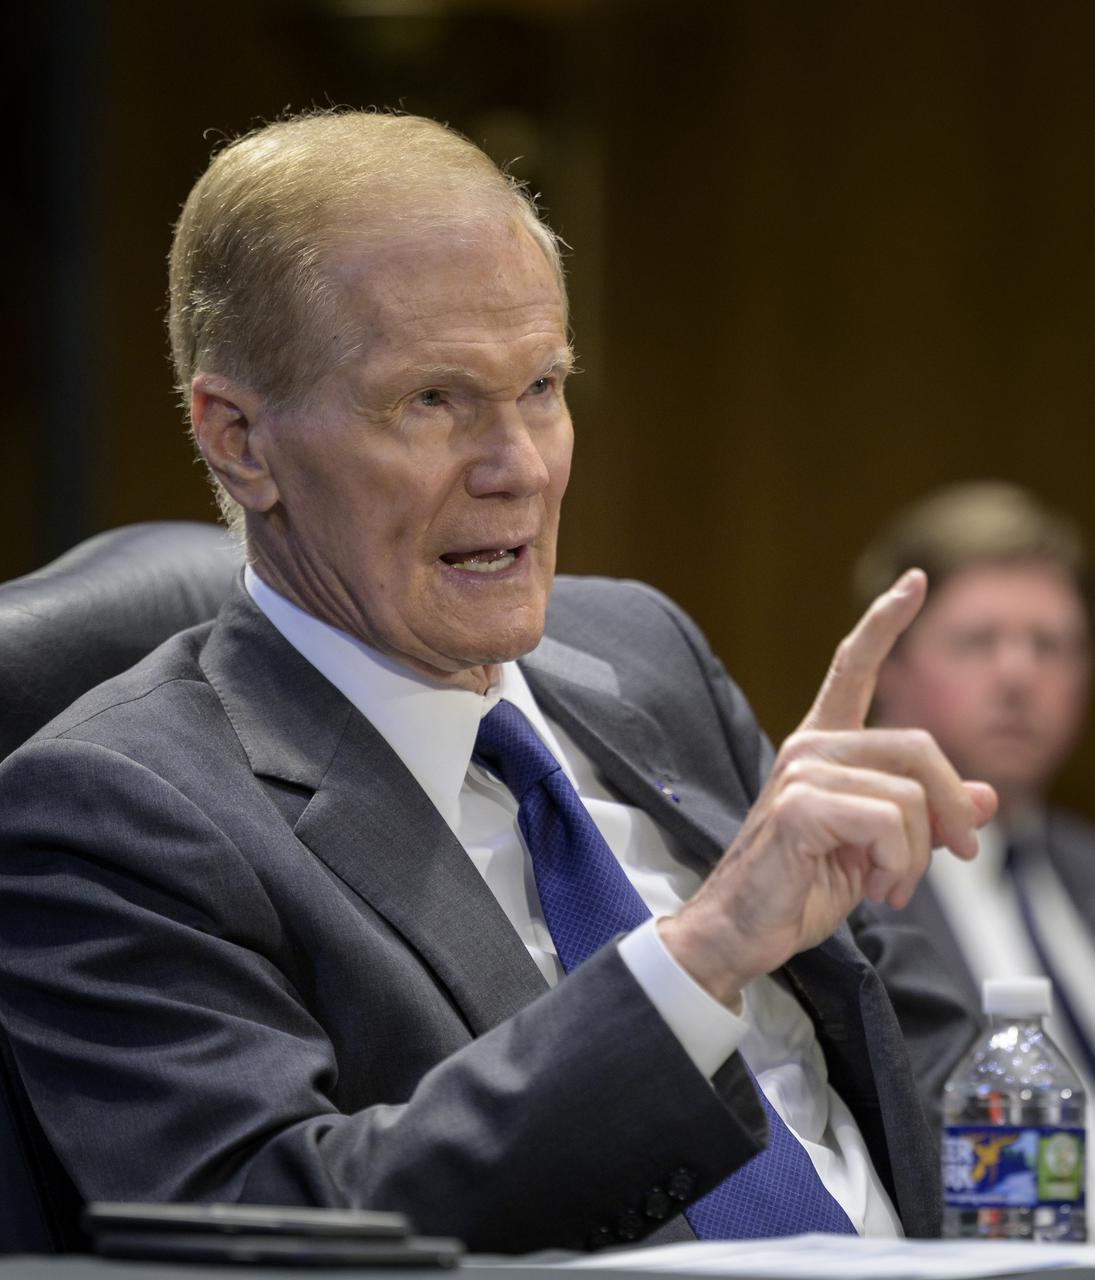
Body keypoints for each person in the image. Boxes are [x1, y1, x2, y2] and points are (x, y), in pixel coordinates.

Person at [0, 111, 994, 1255]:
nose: (518, 466)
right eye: (433, 400)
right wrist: (699, 959)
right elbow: (276, 1224)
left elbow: (918, 1040)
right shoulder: (114, 812)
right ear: (240, 439)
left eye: (541, 386)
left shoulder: (642, 654)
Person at [859, 481, 1095, 1074]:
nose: (1018, 674)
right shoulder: (842, 880)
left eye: (1051, 644)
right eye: (976, 641)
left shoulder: (1085, 865)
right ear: (889, 666)